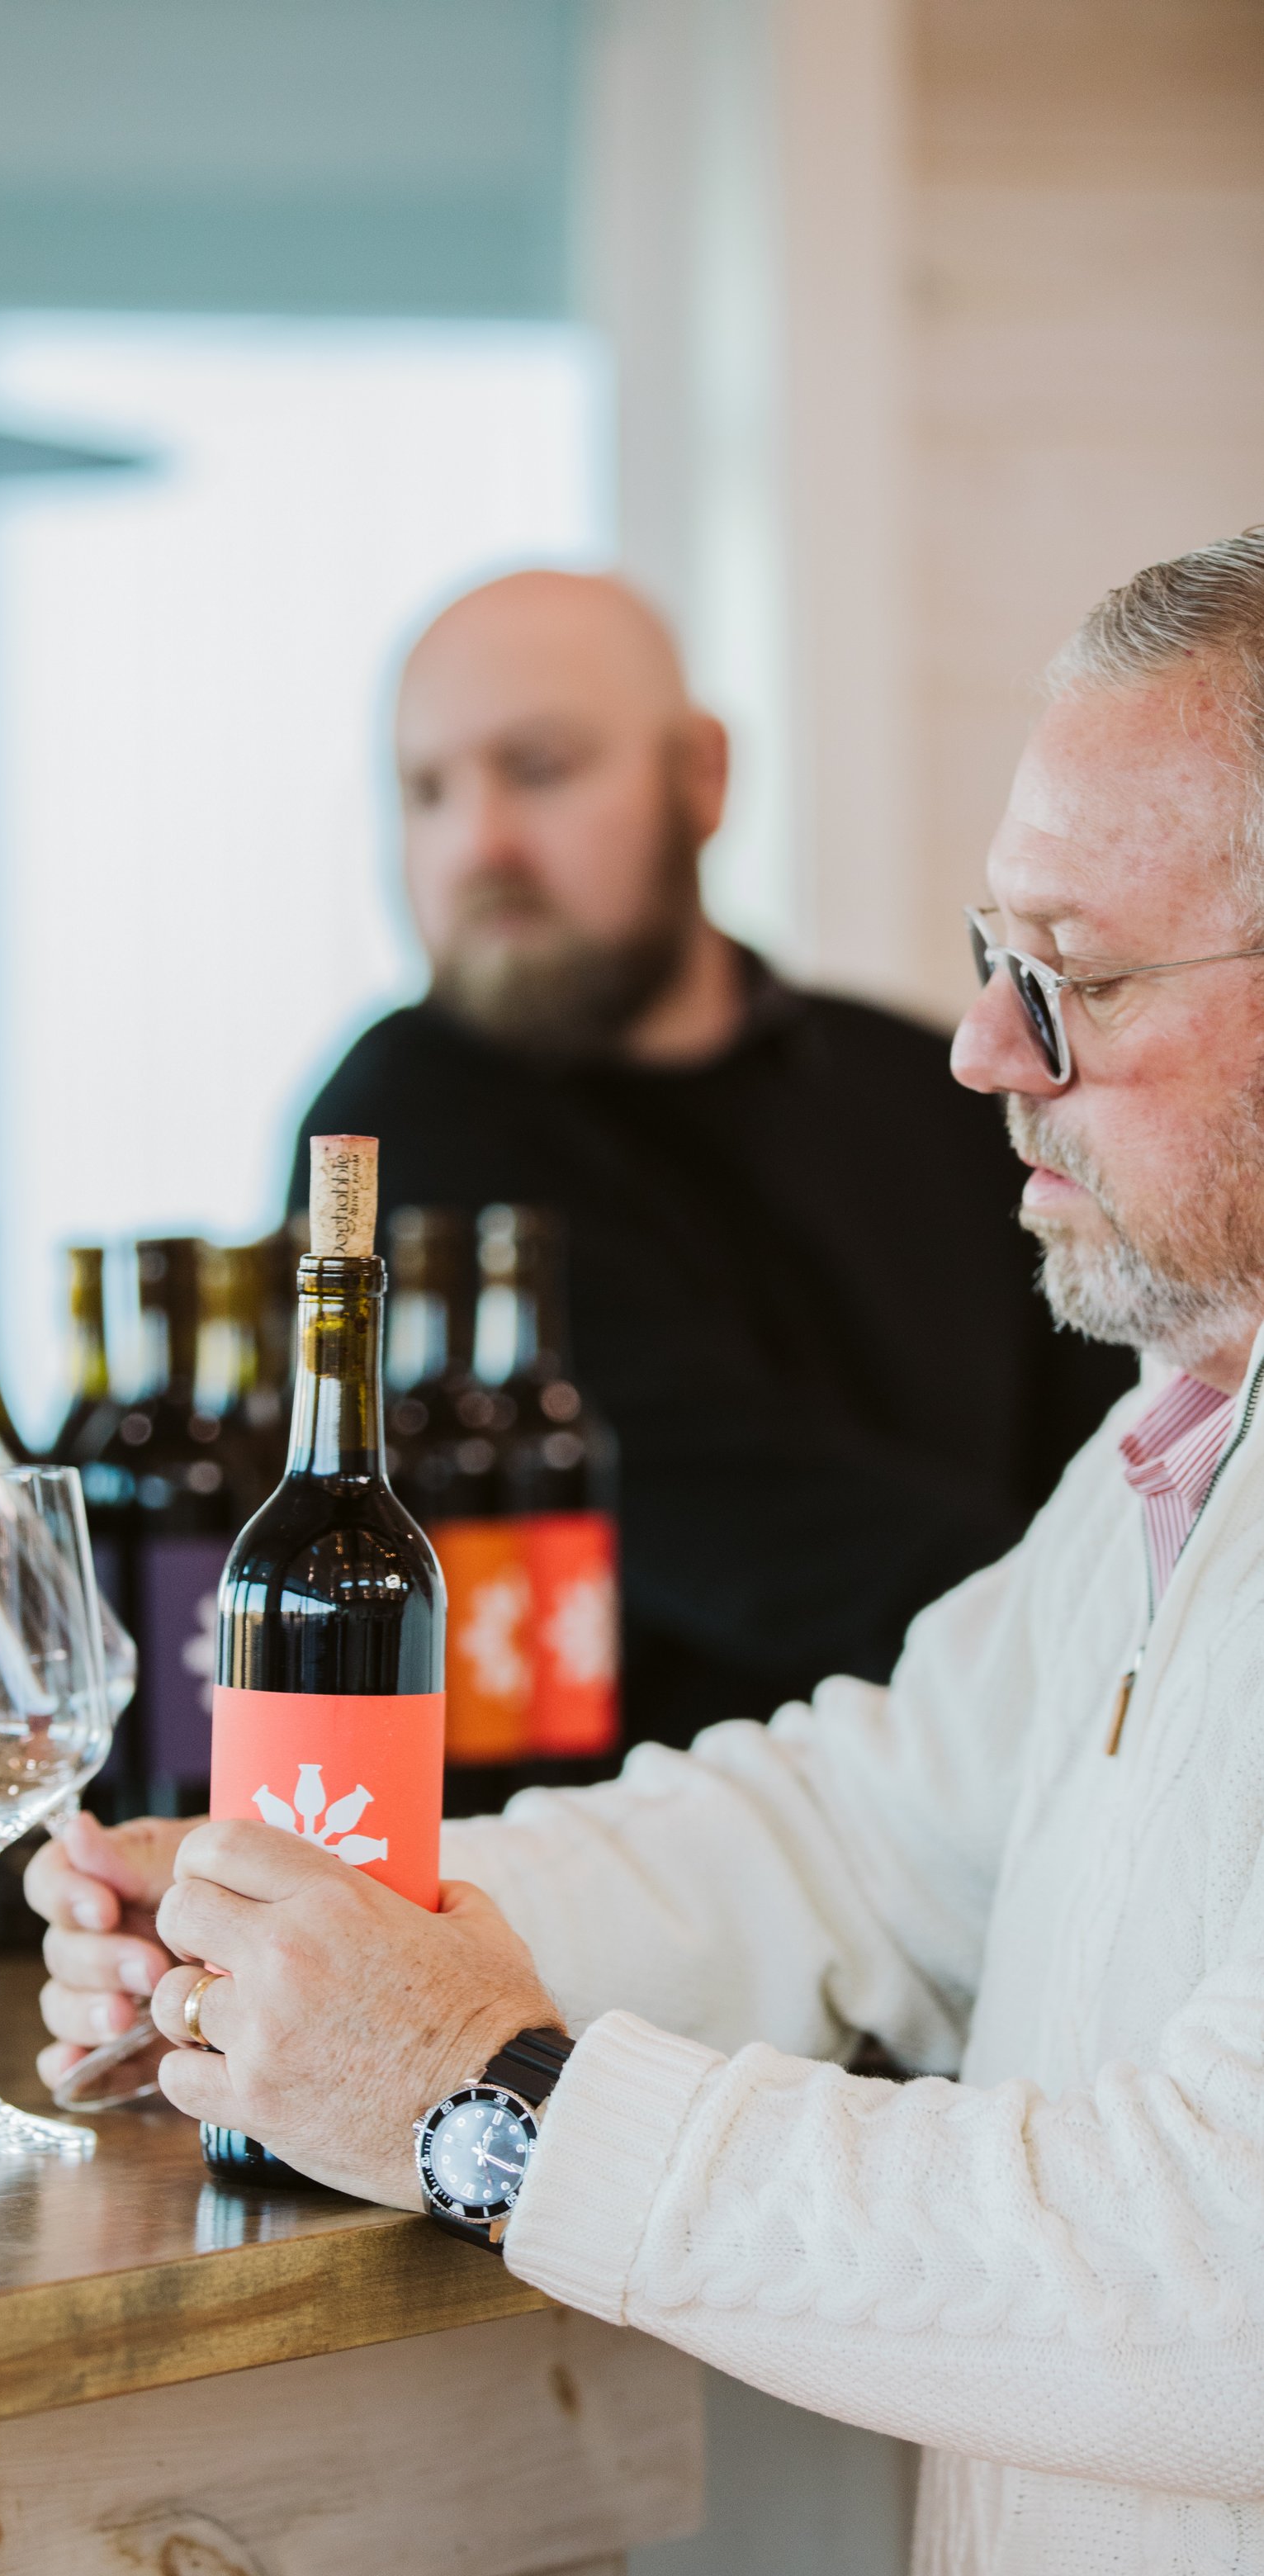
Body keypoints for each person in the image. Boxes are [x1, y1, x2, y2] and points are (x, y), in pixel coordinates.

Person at [32, 531, 1264, 2576]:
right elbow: (863, 1815)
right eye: (995, 956)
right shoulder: (1184, 1437)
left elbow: (1213, 2265)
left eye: (1066, 975)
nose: (984, 1044)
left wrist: (487, 2106)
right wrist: (348, 1913)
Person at [293, 570, 1133, 1747]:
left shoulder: (936, 1079)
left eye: (539, 769)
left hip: (1015, 1813)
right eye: (426, 790)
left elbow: (1121, 1440)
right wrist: (1130, 1641)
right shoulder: (397, 1126)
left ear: (703, 775)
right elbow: (734, 1516)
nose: (477, 842)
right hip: (596, 1886)